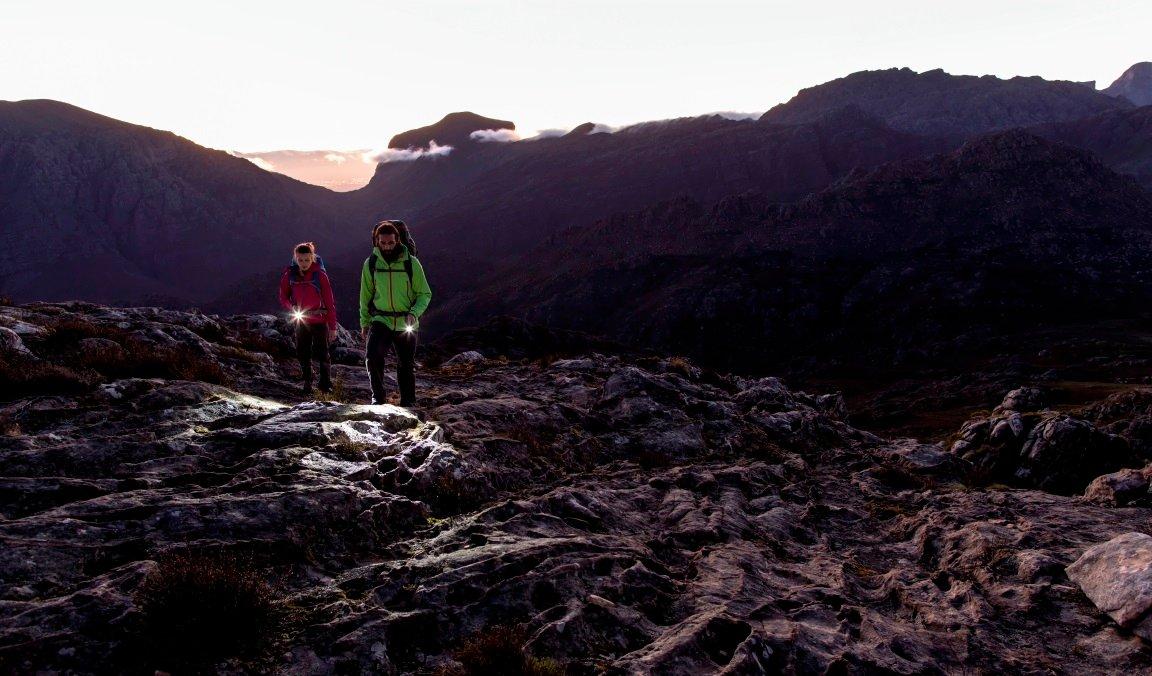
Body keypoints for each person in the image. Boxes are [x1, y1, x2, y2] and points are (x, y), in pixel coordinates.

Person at [360, 221, 432, 406]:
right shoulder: (371, 264)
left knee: (406, 364)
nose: (387, 246)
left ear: (397, 241)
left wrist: (414, 313)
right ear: (377, 242)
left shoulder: (411, 263)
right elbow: (365, 296)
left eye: (390, 243)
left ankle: (408, 403)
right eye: (383, 243)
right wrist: (365, 322)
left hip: (405, 321)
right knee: (373, 358)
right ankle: (378, 399)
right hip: (381, 319)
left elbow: (424, 293)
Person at [278, 242, 337, 395]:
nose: (303, 263)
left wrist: (333, 327)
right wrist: (291, 307)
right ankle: (307, 380)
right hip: (301, 320)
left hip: (319, 320)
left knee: (322, 353)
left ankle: (325, 385)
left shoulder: (320, 275)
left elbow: (330, 302)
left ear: (312, 258)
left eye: (306, 260)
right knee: (302, 351)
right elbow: (283, 296)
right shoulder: (289, 275)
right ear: (295, 259)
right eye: (300, 260)